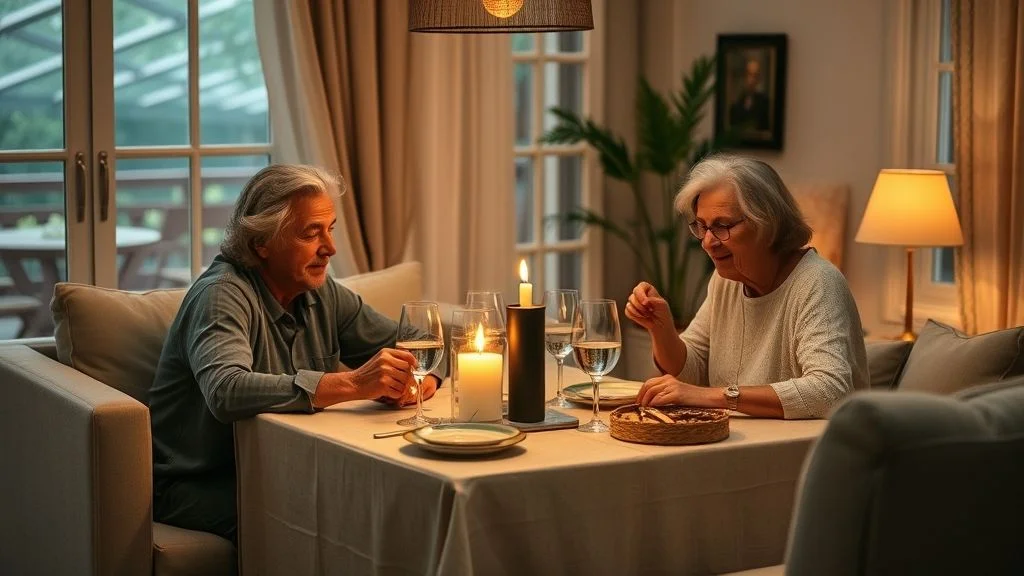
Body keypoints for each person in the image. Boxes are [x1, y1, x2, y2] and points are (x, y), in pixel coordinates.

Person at [148, 164, 440, 544]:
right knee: (339, 516)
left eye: (330, 229)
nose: (330, 248)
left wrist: (421, 381)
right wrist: (353, 382)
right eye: (310, 233)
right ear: (261, 243)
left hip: (285, 464)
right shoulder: (221, 295)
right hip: (201, 481)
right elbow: (227, 390)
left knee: (389, 501)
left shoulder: (320, 290)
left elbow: (422, 341)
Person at [627, 154, 867, 419]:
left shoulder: (817, 282)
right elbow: (690, 369)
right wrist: (661, 328)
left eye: (722, 226)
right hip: (744, 446)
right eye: (702, 226)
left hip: (810, 453)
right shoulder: (726, 281)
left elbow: (829, 391)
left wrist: (710, 396)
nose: (708, 241)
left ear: (767, 224)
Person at [728, 56, 771, 132]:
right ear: (745, 76)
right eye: (749, 74)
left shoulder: (764, 102)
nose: (752, 79)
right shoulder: (737, 102)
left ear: (758, 79)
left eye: (755, 75)